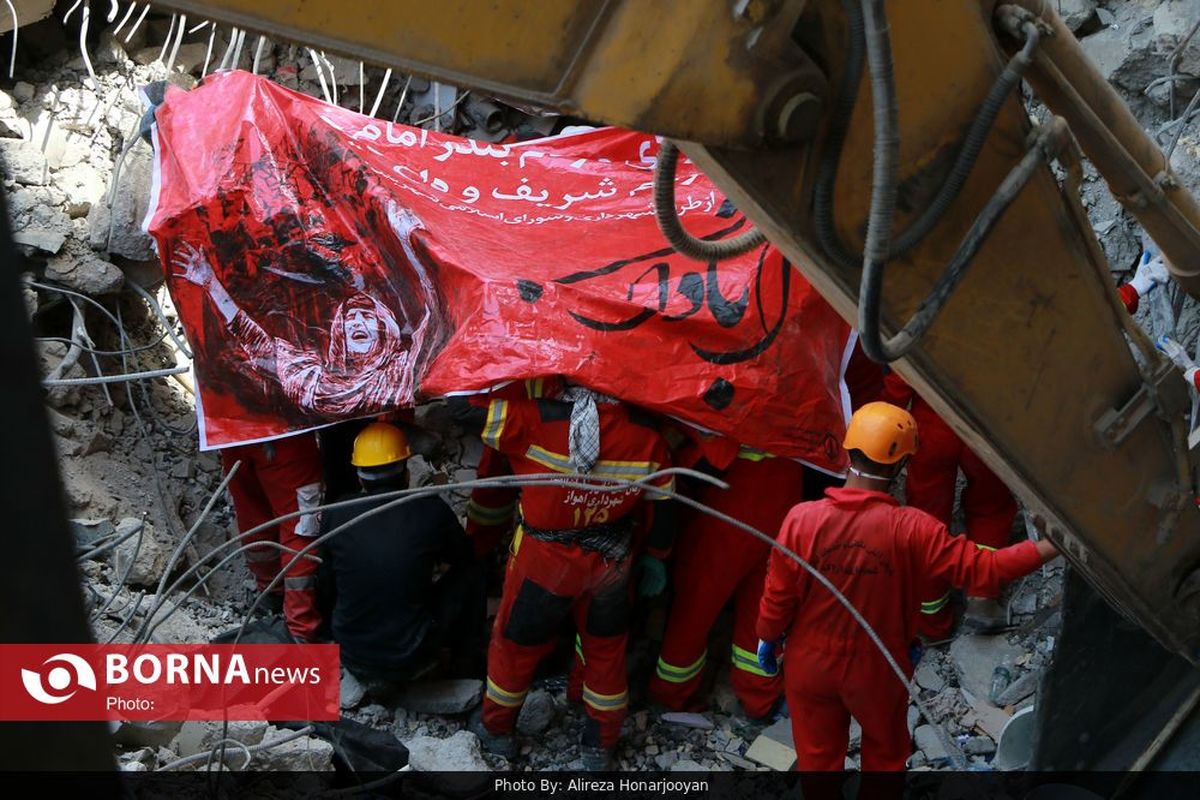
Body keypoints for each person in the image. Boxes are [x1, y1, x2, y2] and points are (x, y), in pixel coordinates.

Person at [755, 402, 1057, 771]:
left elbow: (778, 596)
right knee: (885, 758)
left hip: (809, 666)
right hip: (878, 668)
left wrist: (767, 635)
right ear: (899, 465)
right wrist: (1049, 546)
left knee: (818, 763)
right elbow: (986, 569)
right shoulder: (913, 528)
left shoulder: (802, 520)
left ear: (849, 449)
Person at [461, 385, 675, 770]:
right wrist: (656, 558)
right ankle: (600, 744)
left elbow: (463, 409)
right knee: (606, 654)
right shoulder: (648, 434)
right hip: (612, 564)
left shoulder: (535, 419)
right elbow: (663, 510)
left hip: (545, 566)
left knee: (515, 648)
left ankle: (497, 730)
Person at [171, 200, 438, 418]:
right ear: (339, 334)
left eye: (367, 317)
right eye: (350, 318)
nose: (357, 322)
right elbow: (258, 343)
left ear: (386, 332)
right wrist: (210, 283)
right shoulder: (311, 382)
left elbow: (433, 314)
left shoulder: (402, 370)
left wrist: (407, 239)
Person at [317, 423, 485, 691]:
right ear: (406, 473)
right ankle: (467, 662)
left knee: (336, 571)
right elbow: (463, 556)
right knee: (472, 574)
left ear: (359, 477)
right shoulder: (429, 510)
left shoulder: (337, 513)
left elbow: (324, 584)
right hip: (411, 656)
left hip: (352, 653)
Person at [649, 440, 804, 719]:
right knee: (762, 606)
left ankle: (672, 693)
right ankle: (760, 698)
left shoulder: (736, 399)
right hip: (784, 491)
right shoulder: (808, 400)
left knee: (695, 608)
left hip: (730, 503)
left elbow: (707, 456)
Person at [881, 373, 1019, 635]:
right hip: (983, 424)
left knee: (926, 520)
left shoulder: (920, 330)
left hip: (931, 429)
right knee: (991, 507)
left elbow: (899, 376)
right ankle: (982, 596)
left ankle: (933, 624)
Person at [219, 431, 324, 642]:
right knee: (301, 525)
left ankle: (270, 593)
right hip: (282, 427)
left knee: (255, 515)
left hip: (230, 428)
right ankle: (300, 626)